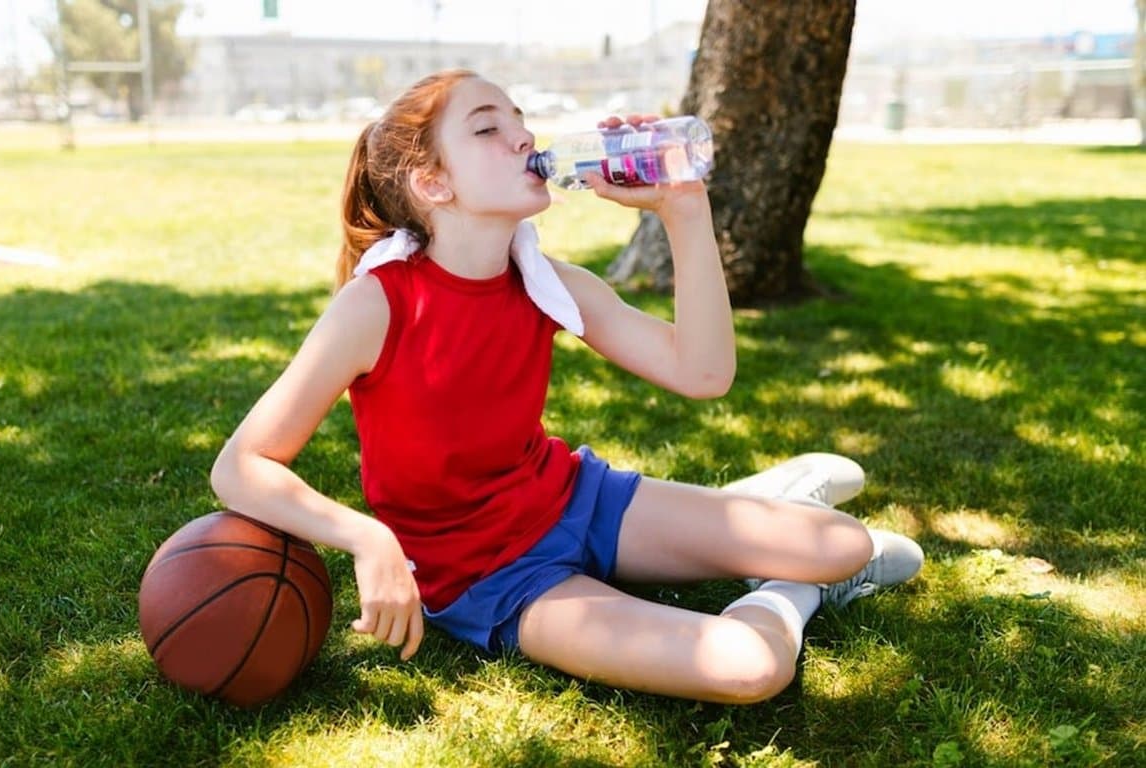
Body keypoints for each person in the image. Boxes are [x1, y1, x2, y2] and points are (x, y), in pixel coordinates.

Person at [210, 69, 922, 704]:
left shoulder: (547, 284)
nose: (523, 137)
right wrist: (366, 539)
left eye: (520, 121)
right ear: (434, 183)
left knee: (843, 546)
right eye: (490, 128)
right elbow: (240, 466)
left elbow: (703, 373)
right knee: (750, 667)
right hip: (491, 575)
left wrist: (683, 211)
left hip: (573, 500)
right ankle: (785, 586)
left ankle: (765, 518)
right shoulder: (377, 305)